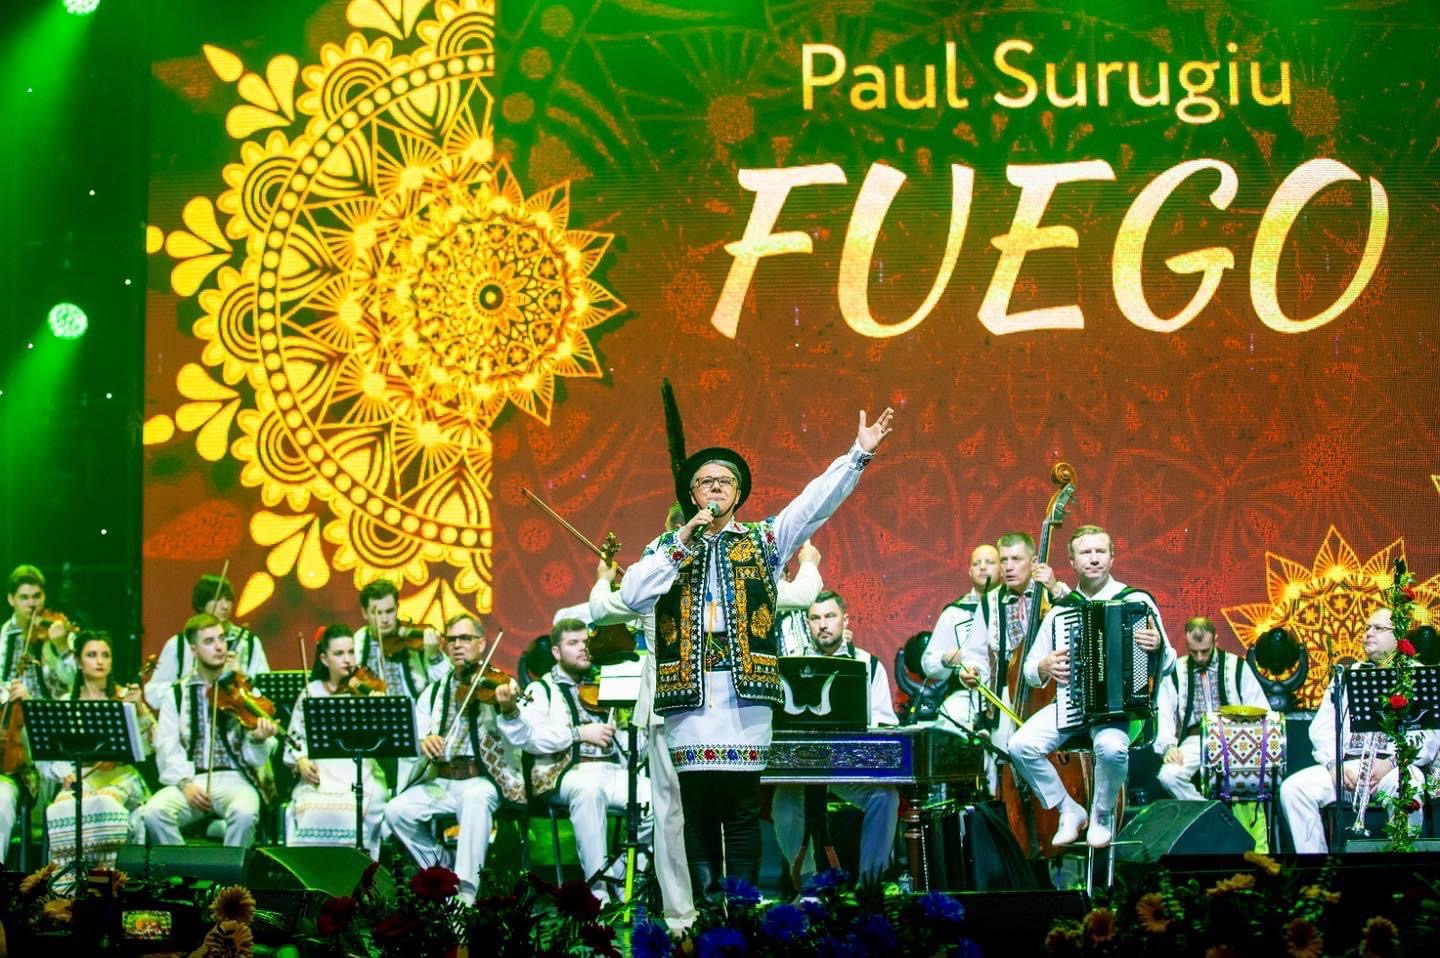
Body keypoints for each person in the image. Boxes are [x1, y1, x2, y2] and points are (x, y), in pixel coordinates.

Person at [619, 406, 895, 894]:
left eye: (725, 481)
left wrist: (857, 455)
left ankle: (742, 910)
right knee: (697, 811)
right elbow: (632, 594)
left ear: (738, 492)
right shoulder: (665, 547)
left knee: (742, 810)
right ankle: (709, 910)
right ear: (692, 494)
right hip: (688, 697)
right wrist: (682, 541)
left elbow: (813, 505)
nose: (716, 487)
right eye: (705, 481)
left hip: (744, 695)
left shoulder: (763, 539)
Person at [1006, 525, 1172, 849]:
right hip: (1072, 705)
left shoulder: (1136, 601)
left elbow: (1169, 661)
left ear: (1111, 557)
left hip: (1121, 710)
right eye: (1085, 552)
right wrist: (1043, 666)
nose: (1094, 559)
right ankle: (1067, 809)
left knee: (1111, 748)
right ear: (1072, 561)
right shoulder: (1061, 611)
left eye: (1100, 551)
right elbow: (1028, 669)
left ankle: (1102, 812)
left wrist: (1157, 646)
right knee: (1020, 745)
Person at [501, 618, 653, 902]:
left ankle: (626, 882)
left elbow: (628, 742)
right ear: (556, 652)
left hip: (612, 770)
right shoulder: (541, 689)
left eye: (586, 642)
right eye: (573, 643)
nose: (583, 648)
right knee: (588, 790)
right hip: (564, 775)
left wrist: (639, 728)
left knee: (655, 797)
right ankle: (598, 893)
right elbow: (529, 737)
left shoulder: (607, 682)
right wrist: (578, 733)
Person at [384, 614, 524, 903]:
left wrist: (509, 707)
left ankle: (465, 897)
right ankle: (442, 869)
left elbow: (521, 732)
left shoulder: (498, 684)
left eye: (465, 638)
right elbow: (419, 732)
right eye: (452, 639)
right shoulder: (434, 691)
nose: (458, 645)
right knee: (396, 811)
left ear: (481, 644)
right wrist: (425, 741)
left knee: (475, 798)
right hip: (442, 780)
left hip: (482, 779)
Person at [1279, 608, 1440, 853]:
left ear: (1398, 637)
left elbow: (1429, 736)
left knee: (1411, 786)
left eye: (1378, 628)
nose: (1368, 633)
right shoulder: (1348, 675)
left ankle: (1403, 864)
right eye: (1367, 628)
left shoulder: (1415, 674)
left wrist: (1390, 763)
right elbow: (1322, 728)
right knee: (1294, 789)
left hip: (1392, 769)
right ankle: (1317, 867)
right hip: (1348, 769)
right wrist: (1334, 766)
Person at [772, 591, 899, 884]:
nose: (823, 624)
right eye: (815, 618)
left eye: (830, 616)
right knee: (784, 800)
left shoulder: (868, 664)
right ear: (807, 623)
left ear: (845, 620)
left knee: (885, 796)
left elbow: (884, 722)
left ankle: (870, 885)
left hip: (847, 766)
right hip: (803, 765)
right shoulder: (791, 666)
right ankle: (807, 885)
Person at [140, 614, 280, 847]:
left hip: (236, 778)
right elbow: (167, 746)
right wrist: (185, 784)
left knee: (244, 813)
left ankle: (232, 870)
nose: (219, 647)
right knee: (154, 813)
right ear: (194, 650)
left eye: (222, 639)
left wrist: (258, 739)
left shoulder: (243, 690)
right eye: (209, 641)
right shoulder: (177, 694)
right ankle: (180, 866)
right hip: (193, 777)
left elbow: (256, 760)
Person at [41, 631, 153, 883]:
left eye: (105, 655)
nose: (100, 661)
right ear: (79, 661)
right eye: (92, 655)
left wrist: (139, 709)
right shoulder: (66, 702)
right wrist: (65, 774)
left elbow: (149, 747)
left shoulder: (125, 697)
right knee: (63, 806)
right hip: (81, 775)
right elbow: (53, 754)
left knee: (105, 802)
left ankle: (104, 883)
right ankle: (67, 885)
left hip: (120, 775)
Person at [283, 625, 388, 858]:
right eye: (339, 654)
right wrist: (301, 760)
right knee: (309, 808)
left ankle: (362, 867)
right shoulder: (311, 692)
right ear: (324, 658)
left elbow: (383, 739)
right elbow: (294, 738)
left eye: (351, 652)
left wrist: (379, 708)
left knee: (374, 801)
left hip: (359, 769)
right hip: (321, 773)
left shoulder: (366, 689)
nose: (348, 660)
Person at [1153, 616, 1269, 801]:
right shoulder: (1176, 671)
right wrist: (1168, 747)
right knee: (1168, 776)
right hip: (1195, 740)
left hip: (1235, 739)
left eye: (1205, 651)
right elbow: (1164, 713)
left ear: (1215, 640)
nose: (1200, 657)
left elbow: (1261, 709)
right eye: (1194, 652)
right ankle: (1210, 812)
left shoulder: (1237, 666)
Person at [145, 575, 269, 708]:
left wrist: (243, 679)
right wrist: (191, 685)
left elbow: (266, 693)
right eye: (217, 599)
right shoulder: (178, 644)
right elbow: (153, 694)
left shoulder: (249, 643)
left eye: (228, 599)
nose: (225, 606)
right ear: (201, 604)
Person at [352, 579, 446, 700]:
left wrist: (434, 656)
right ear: (364, 613)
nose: (384, 619)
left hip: (416, 710)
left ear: (397, 608)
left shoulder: (416, 640)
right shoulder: (356, 642)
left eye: (389, 611)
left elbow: (445, 686)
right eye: (378, 613)